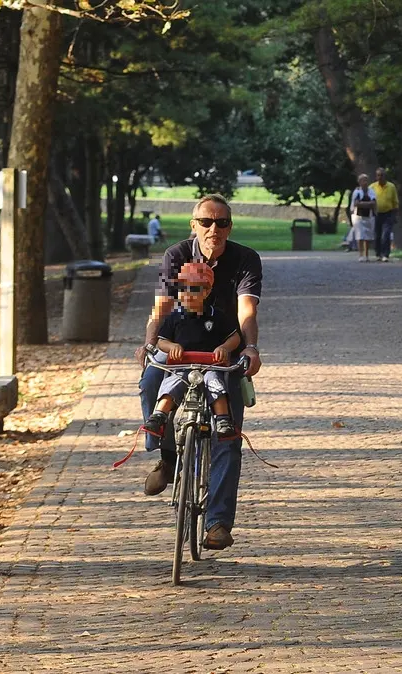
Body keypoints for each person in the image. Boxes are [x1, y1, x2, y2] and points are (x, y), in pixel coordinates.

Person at [136, 194, 264, 551]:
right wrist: (150, 345)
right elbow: (161, 307)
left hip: (223, 354)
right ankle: (165, 455)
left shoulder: (245, 259)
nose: (214, 229)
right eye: (206, 222)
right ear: (193, 225)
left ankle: (218, 523)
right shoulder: (176, 255)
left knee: (227, 434)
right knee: (150, 383)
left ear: (230, 227)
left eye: (222, 223)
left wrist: (249, 348)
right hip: (178, 351)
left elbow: (246, 311)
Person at [141, 261, 242, 440]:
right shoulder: (174, 316)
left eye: (194, 289)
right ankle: (159, 417)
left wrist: (224, 347)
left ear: (207, 291)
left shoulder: (216, 316)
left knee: (215, 384)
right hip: (182, 365)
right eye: (183, 288)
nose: (187, 294)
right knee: (171, 384)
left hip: (210, 365)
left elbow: (234, 337)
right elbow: (162, 341)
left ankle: (223, 420)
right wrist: (172, 347)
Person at [373, 167, 399, 262]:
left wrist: (395, 215)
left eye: (382, 175)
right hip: (376, 214)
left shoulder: (391, 187)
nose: (380, 177)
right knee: (377, 235)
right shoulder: (372, 187)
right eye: (378, 175)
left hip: (388, 214)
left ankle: (385, 254)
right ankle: (378, 253)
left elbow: (395, 202)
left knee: (386, 234)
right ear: (376, 176)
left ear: (385, 176)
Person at [350, 174, 377, 261]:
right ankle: (361, 254)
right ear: (359, 182)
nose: (365, 182)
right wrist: (367, 204)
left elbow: (373, 203)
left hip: (369, 216)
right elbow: (356, 203)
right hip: (358, 216)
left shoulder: (371, 191)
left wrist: (363, 204)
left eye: (366, 180)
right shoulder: (357, 192)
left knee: (368, 236)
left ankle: (367, 255)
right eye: (363, 180)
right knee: (360, 235)